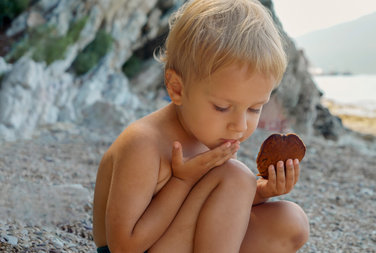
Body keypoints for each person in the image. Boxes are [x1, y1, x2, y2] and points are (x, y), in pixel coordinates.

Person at [92, 0, 309, 252]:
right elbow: (124, 246)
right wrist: (182, 181)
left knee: (289, 221)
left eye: (254, 109)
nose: (239, 126)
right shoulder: (143, 144)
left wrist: (262, 191)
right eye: (221, 107)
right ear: (177, 88)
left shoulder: (209, 133)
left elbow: (217, 209)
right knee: (236, 175)